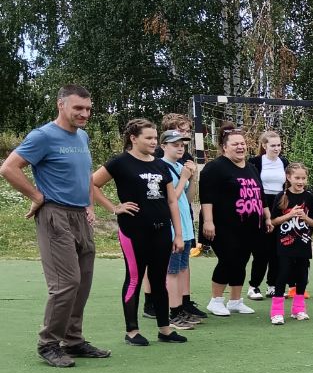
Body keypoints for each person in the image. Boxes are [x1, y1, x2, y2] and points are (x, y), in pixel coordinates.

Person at [1, 84, 111, 367]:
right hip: (55, 215)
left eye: (88, 109)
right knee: (66, 282)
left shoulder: (82, 136)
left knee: (83, 280)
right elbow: (9, 168)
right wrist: (36, 196)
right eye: (78, 108)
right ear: (61, 105)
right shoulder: (43, 136)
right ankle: (48, 343)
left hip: (79, 215)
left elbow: (84, 173)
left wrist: (89, 205)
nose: (84, 114)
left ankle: (73, 340)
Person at [90, 118, 188, 346]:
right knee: (134, 278)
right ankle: (132, 331)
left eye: (155, 137)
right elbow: (92, 184)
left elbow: (172, 201)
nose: (154, 142)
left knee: (159, 280)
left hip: (161, 231)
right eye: (149, 138)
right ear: (133, 138)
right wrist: (114, 207)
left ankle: (165, 329)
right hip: (134, 232)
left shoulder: (161, 165)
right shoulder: (120, 162)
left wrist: (178, 234)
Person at [200, 127, 265, 316]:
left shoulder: (251, 167)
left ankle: (235, 301)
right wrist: (208, 221)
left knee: (242, 260)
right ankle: (215, 300)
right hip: (223, 225)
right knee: (228, 260)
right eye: (235, 144)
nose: (240, 147)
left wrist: (266, 216)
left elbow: (259, 195)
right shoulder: (215, 167)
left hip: (249, 226)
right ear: (224, 147)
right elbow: (206, 197)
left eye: (242, 143)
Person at [159, 129, 201, 327]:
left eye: (182, 145)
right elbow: (170, 199)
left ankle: (182, 308)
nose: (180, 148)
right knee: (172, 271)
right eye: (175, 145)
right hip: (172, 228)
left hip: (185, 226)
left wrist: (193, 178)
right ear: (163, 146)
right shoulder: (162, 168)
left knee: (182, 268)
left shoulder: (178, 166)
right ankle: (173, 312)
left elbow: (188, 197)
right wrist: (184, 178)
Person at [268, 163, 313, 324]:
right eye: (297, 178)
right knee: (282, 274)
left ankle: (299, 309)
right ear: (288, 178)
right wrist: (289, 215)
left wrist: (305, 217)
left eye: (303, 178)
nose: (300, 181)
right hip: (285, 244)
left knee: (302, 276)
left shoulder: (310, 197)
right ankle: (276, 312)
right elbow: (273, 221)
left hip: (303, 244)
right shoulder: (281, 196)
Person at [246, 130, 288, 300]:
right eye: (273, 145)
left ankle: (273, 286)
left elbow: (287, 186)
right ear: (264, 146)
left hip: (279, 205)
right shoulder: (255, 162)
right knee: (261, 250)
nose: (277, 148)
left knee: (277, 249)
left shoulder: (284, 162)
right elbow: (251, 186)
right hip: (260, 206)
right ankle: (253, 286)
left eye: (279, 145)